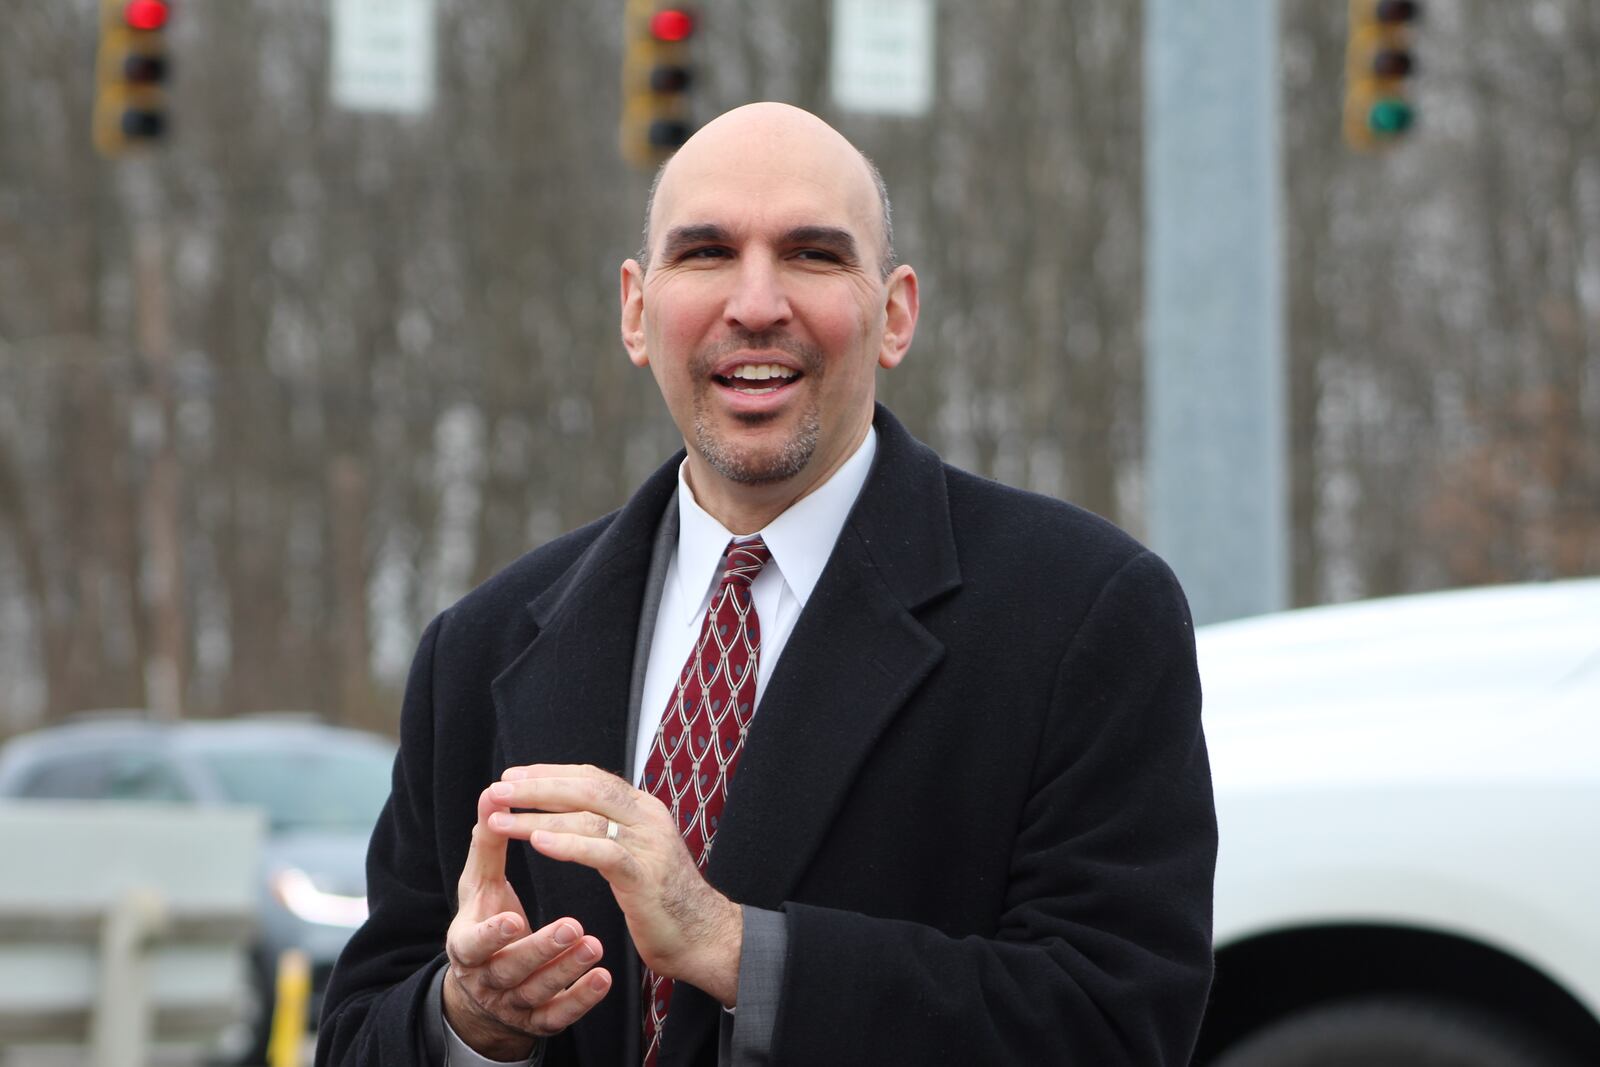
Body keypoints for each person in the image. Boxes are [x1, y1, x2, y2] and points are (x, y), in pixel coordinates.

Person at [317, 102, 1216, 1067]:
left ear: (896, 313)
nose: (755, 303)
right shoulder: (481, 646)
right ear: (636, 309)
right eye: (705, 253)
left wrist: (735, 947)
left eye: (813, 256)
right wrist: (468, 1017)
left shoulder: (1084, 611)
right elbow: (359, 1034)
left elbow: (1114, 1024)